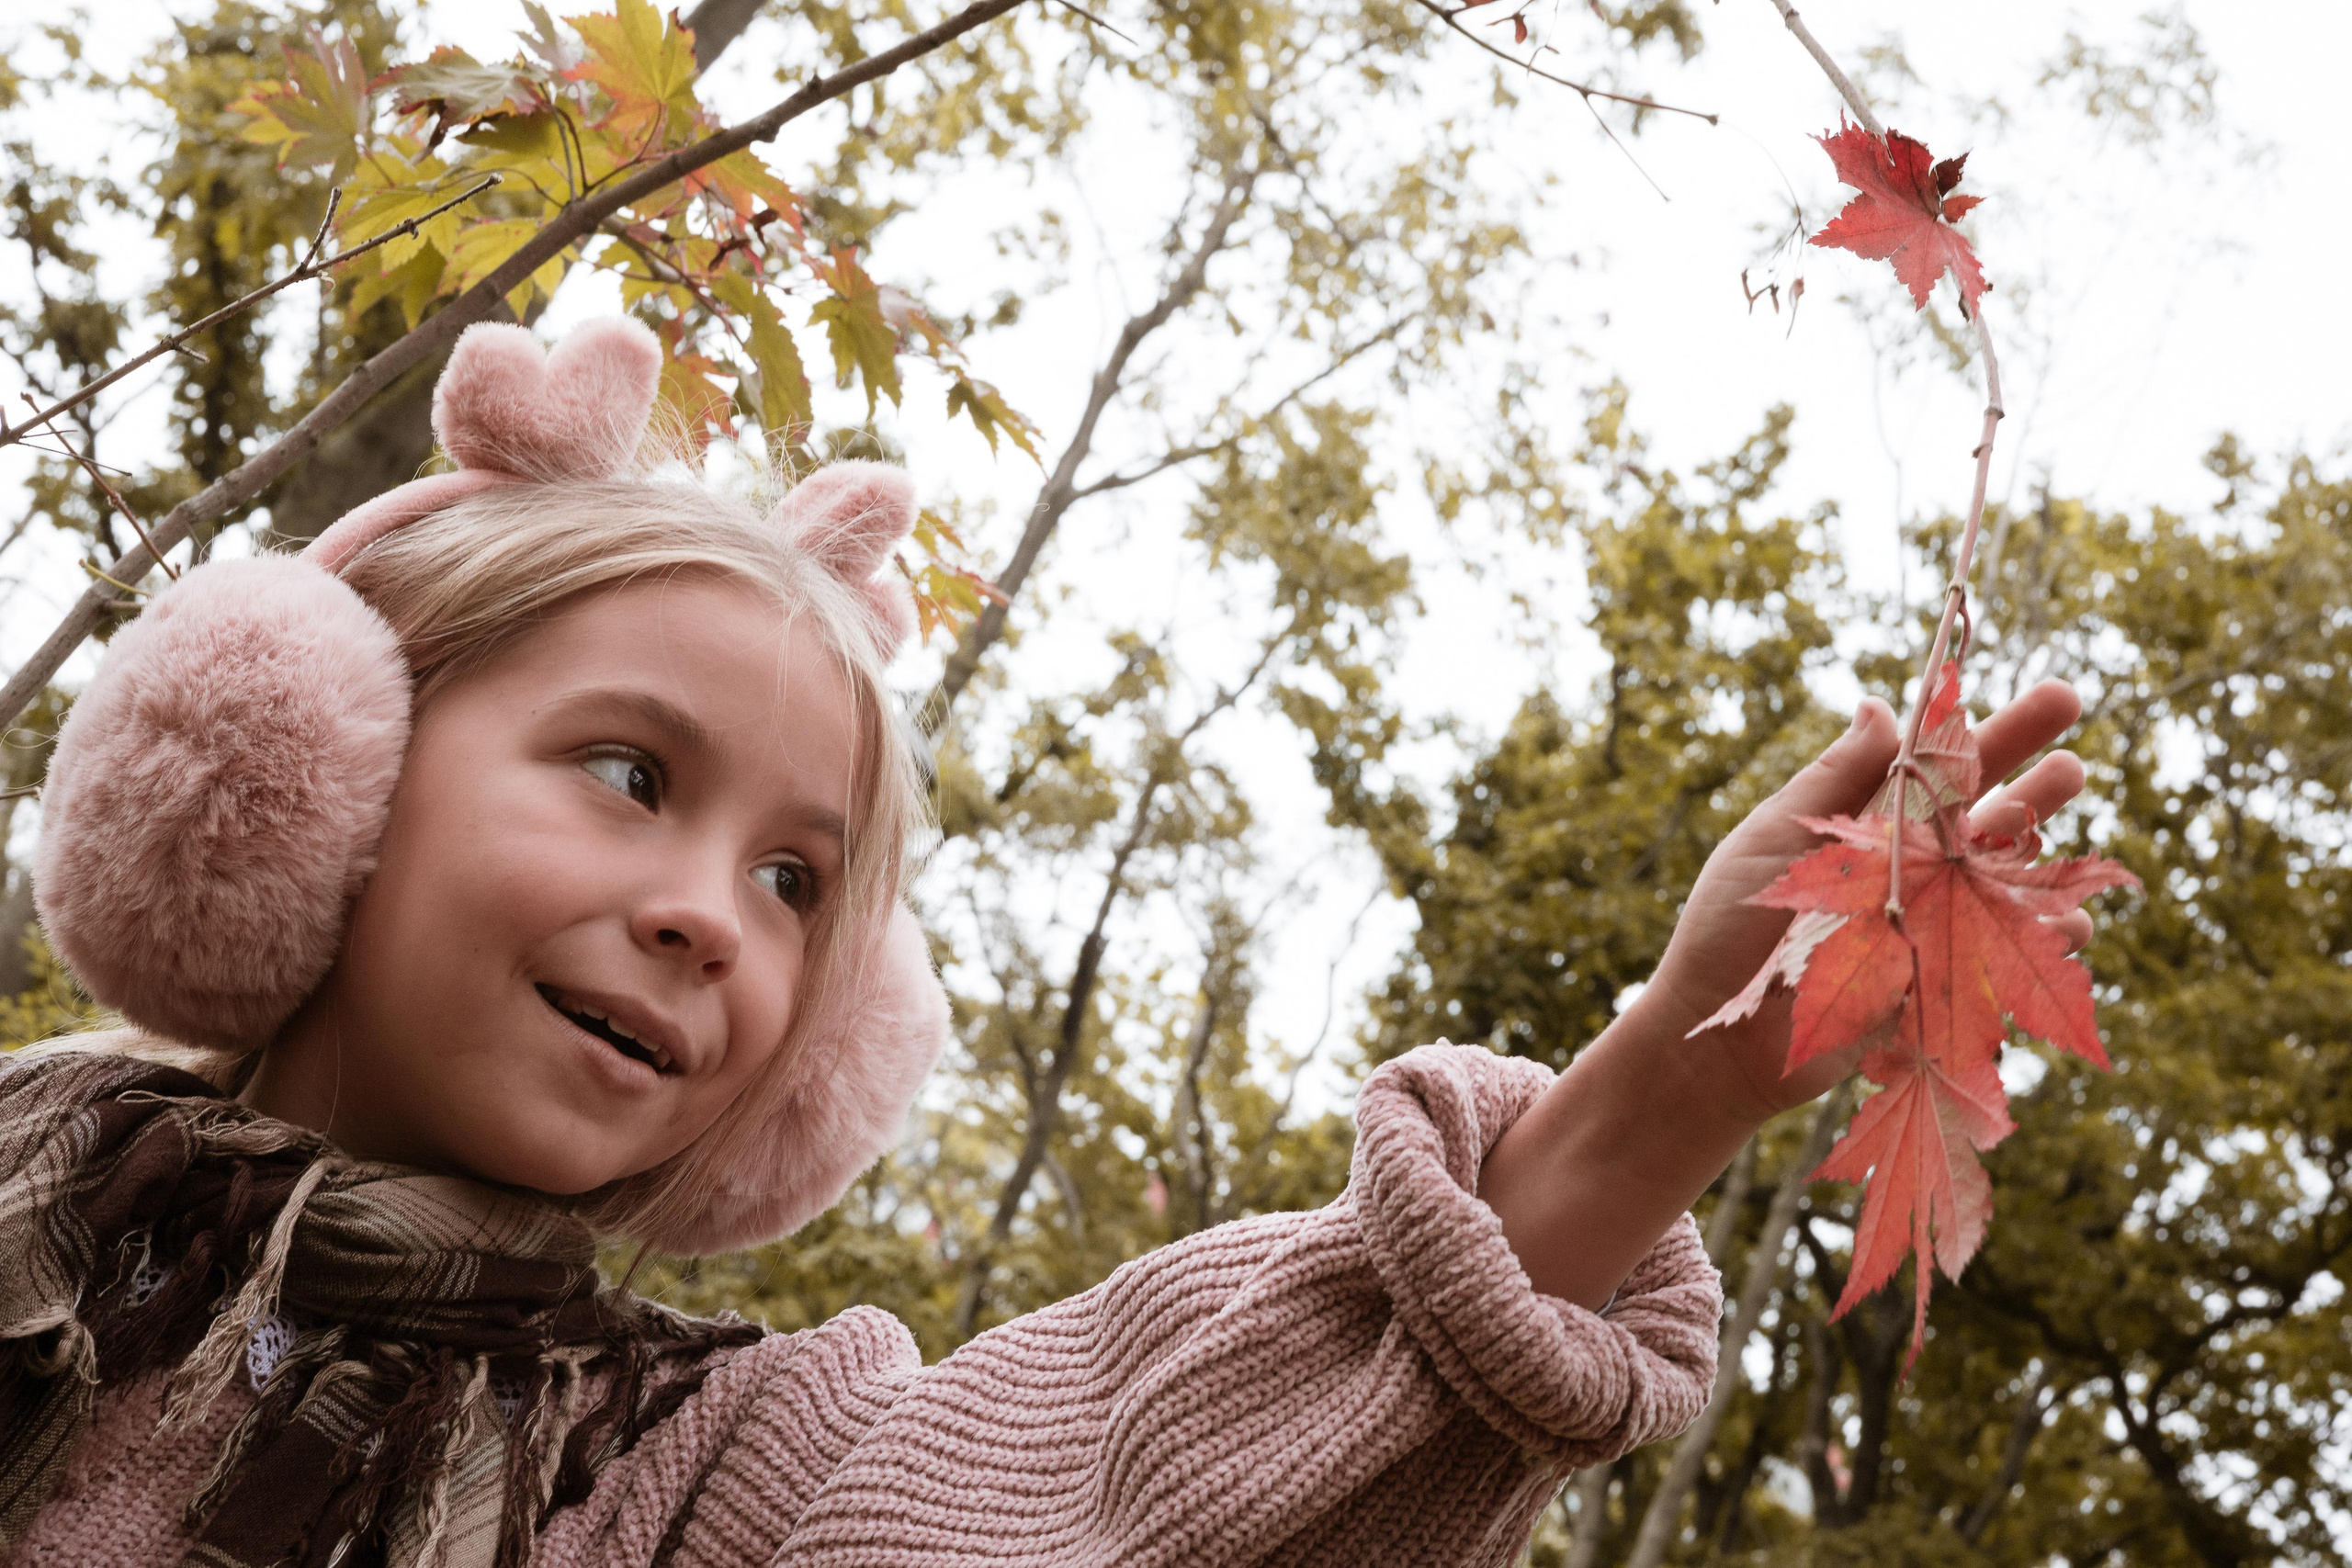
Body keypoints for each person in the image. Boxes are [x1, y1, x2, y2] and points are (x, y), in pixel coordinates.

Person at [0, 319, 2092, 1568]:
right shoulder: (21, 1178)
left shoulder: (712, 1464)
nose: (706, 914)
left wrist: (1668, 1077)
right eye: (631, 772)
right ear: (316, 759)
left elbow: (1127, 1476)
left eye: (798, 881)